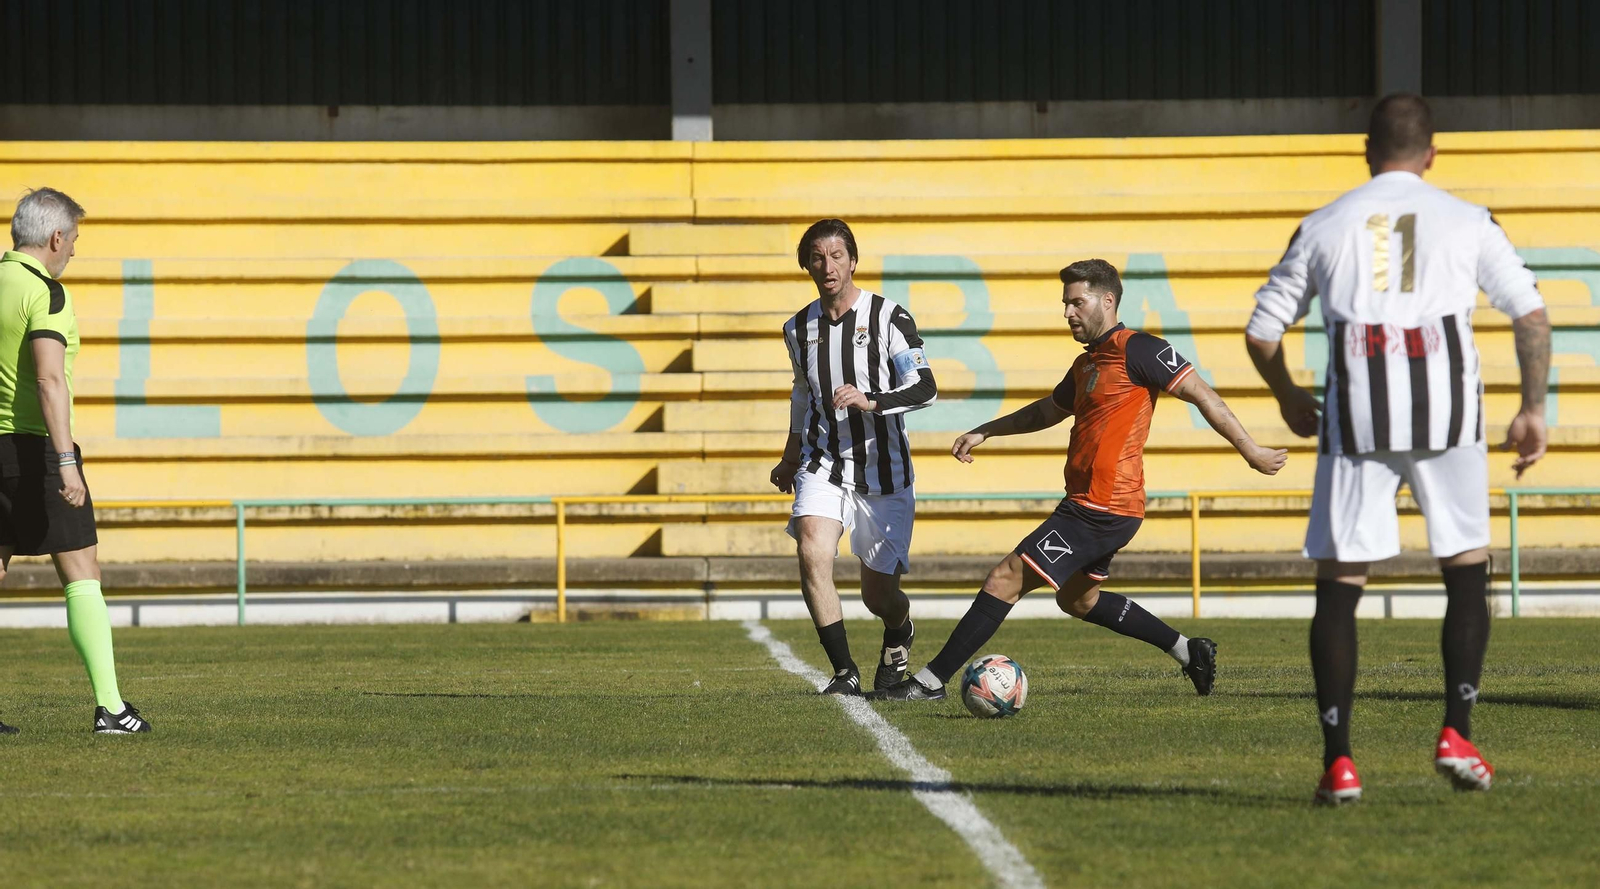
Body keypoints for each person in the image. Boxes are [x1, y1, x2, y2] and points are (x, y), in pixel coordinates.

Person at [1244, 94, 1549, 804]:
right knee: (1466, 566)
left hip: (1358, 414)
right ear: (1433, 153)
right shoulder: (1470, 220)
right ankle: (1458, 729)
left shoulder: (1323, 223)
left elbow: (1261, 332)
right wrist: (1532, 408)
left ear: (1366, 150)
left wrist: (1289, 396)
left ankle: (1340, 760)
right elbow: (1530, 314)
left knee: (1342, 581)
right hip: (1449, 412)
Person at [870, 259, 1286, 702]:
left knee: (1004, 578)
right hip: (1097, 506)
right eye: (1065, 303)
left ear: (1107, 301)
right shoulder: (1086, 364)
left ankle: (929, 683)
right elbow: (1046, 411)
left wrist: (1252, 450)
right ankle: (1189, 650)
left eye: (1077, 302)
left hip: (1101, 507)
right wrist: (987, 429)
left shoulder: (1141, 349)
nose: (1068, 312)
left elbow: (1203, 394)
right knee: (1079, 601)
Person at [0, 188, 150, 735]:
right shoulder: (47, 292)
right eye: (75, 242)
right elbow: (48, 378)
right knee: (81, 571)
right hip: (33, 446)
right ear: (56, 237)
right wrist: (65, 459)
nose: (73, 253)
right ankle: (110, 708)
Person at [769, 219, 937, 695]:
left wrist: (871, 399)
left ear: (853, 261)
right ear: (807, 265)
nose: (828, 266)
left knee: (878, 596)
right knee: (812, 549)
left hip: (885, 474)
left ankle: (899, 632)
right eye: (818, 257)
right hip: (824, 463)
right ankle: (845, 672)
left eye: (837, 255)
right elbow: (803, 395)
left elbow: (925, 388)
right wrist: (789, 455)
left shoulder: (889, 317)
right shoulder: (798, 328)